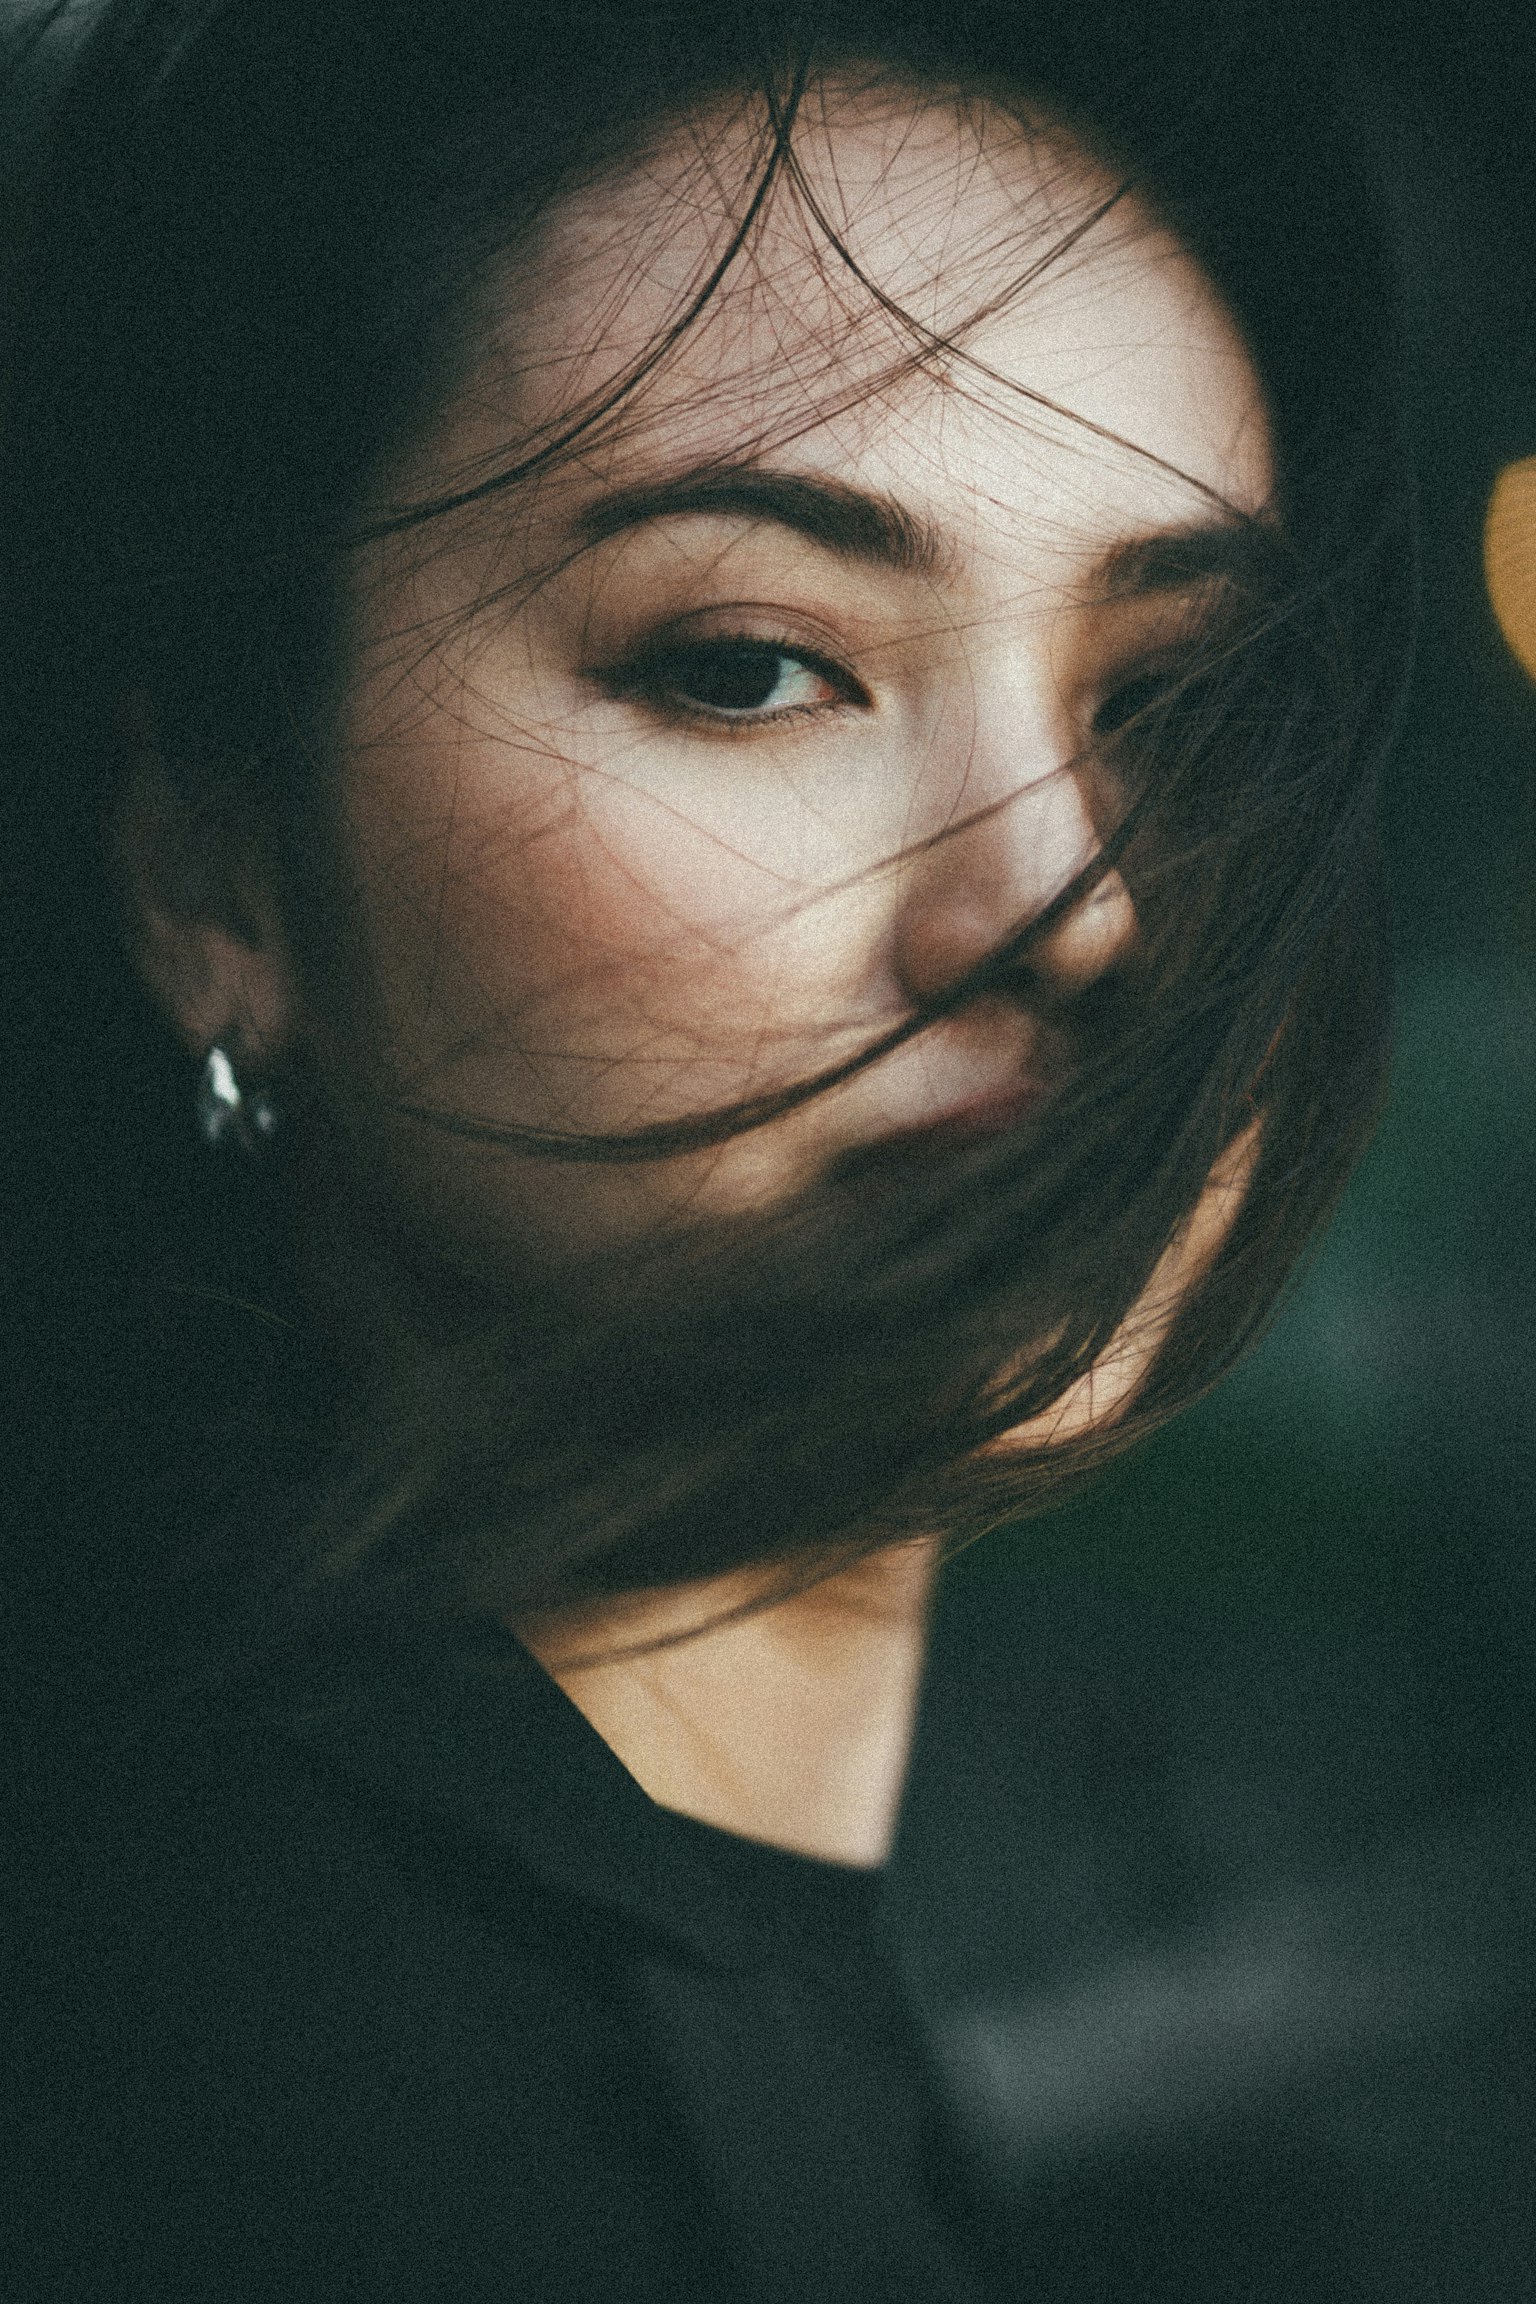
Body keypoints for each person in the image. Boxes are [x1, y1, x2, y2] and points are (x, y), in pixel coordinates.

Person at [0, 1, 1430, 2298]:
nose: (1071, 911)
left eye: (1169, 705)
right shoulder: (274, 2109)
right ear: (212, 866)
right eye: (754, 664)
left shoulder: (636, 1998)